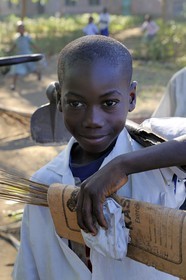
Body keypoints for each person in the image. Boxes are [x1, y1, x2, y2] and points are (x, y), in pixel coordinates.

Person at [12, 35, 186, 280]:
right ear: (60, 100)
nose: (93, 120)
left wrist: (121, 166)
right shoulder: (44, 183)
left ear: (132, 98)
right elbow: (28, 270)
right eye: (76, 103)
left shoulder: (156, 153)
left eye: (109, 103)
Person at [8, 20, 41, 91]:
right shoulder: (16, 38)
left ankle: (38, 74)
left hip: (27, 56)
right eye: (19, 28)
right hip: (19, 56)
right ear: (17, 29)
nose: (21, 29)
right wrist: (9, 50)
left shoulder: (27, 37)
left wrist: (38, 50)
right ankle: (13, 85)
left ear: (24, 29)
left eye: (22, 28)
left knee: (32, 68)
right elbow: (14, 46)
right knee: (16, 71)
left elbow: (33, 44)